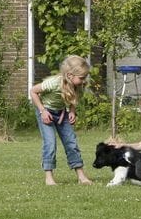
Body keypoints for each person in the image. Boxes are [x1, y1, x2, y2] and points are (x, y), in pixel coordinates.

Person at [29, 55, 94, 186]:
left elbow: (74, 99)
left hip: (62, 113)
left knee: (71, 143)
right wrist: (43, 111)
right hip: (46, 112)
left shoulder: (78, 86)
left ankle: (81, 176)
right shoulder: (54, 82)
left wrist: (72, 111)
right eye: (81, 78)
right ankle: (49, 178)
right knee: (50, 143)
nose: (83, 81)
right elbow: (33, 91)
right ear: (70, 75)